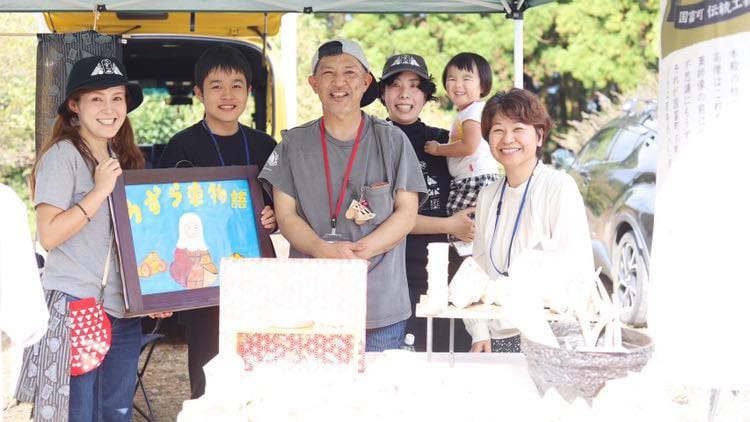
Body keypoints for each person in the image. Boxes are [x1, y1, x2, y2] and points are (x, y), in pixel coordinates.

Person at [15, 56, 170, 421]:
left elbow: (130, 242)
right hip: (76, 308)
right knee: (77, 413)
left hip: (122, 311)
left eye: (117, 98)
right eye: (96, 99)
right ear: (75, 105)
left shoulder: (123, 157)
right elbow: (49, 235)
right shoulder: (62, 157)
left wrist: (155, 292)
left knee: (115, 413)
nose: (109, 108)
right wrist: (99, 191)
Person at [259, 39, 426, 351]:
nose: (339, 83)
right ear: (313, 83)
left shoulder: (392, 141)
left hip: (380, 308)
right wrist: (323, 250)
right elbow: (286, 215)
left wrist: (359, 252)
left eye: (350, 73)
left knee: (379, 398)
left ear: (365, 82)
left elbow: (407, 213)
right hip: (312, 308)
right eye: (327, 74)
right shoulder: (292, 145)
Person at [157, 44, 277, 399]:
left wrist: (275, 218)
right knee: (207, 373)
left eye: (237, 85)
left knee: (257, 371)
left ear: (249, 92)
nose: (228, 95)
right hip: (203, 281)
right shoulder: (180, 147)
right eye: (216, 86)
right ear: (199, 93)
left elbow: (284, 208)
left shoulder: (265, 145)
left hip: (256, 279)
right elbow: (166, 217)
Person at [465, 88, 594, 353]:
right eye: (498, 130)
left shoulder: (558, 187)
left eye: (518, 128)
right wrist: (479, 331)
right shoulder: (488, 195)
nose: (507, 139)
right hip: (497, 335)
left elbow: (576, 266)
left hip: (548, 333)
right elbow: (478, 267)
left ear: (539, 135)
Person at [378, 53, 473, 352]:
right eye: (395, 85)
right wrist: (449, 224)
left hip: (443, 279)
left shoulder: (444, 143)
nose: (405, 94)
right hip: (387, 279)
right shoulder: (369, 142)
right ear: (382, 94)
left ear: (426, 95)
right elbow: (378, 217)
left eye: (415, 86)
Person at [423, 52, 499, 252]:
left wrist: (439, 149)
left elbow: (468, 146)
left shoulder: (474, 111)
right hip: (470, 178)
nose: (458, 84)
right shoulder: (466, 112)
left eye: (466, 79)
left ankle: (473, 259)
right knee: (466, 223)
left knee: (466, 225)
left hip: (475, 179)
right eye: (452, 79)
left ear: (482, 85)